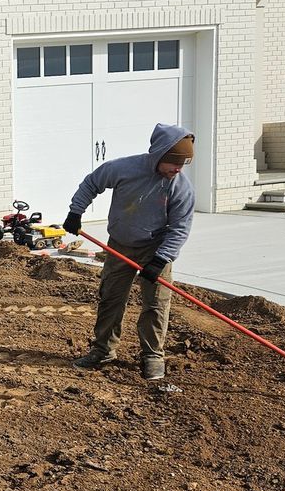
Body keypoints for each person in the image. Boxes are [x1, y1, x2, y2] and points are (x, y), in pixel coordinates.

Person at [63, 123, 196, 381]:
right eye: (174, 163)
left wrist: (161, 258)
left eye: (183, 165)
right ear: (158, 155)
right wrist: (75, 211)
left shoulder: (180, 187)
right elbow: (92, 183)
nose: (178, 169)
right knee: (111, 298)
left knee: (156, 304)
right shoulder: (124, 169)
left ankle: (153, 356)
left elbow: (180, 228)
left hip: (156, 248)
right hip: (120, 244)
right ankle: (103, 350)